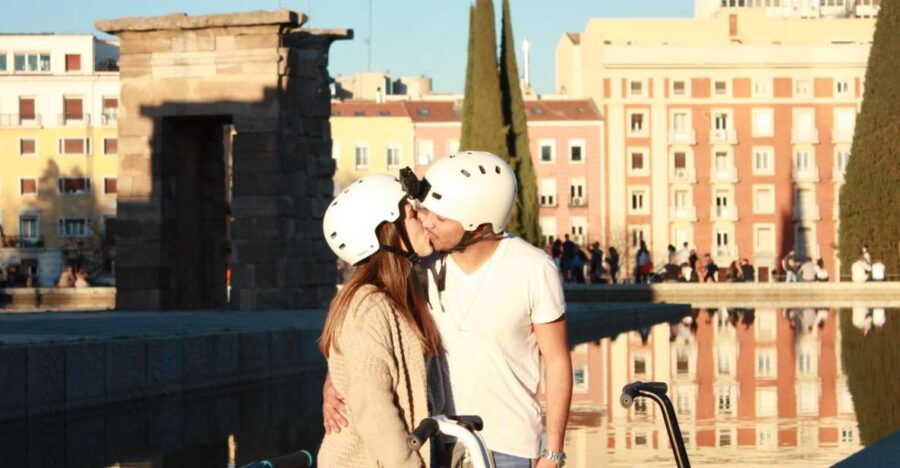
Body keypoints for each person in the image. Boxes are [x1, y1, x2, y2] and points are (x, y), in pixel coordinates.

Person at [323, 152, 572, 468]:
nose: (427, 221)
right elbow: (361, 349)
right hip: (434, 440)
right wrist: (334, 382)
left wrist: (553, 452)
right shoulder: (420, 265)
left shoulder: (534, 268)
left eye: (439, 217)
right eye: (423, 213)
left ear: (476, 221)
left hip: (507, 444)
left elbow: (557, 360)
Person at [317, 174, 440, 467]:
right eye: (411, 214)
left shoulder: (399, 295)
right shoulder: (368, 306)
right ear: (387, 232)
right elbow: (373, 408)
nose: (423, 218)